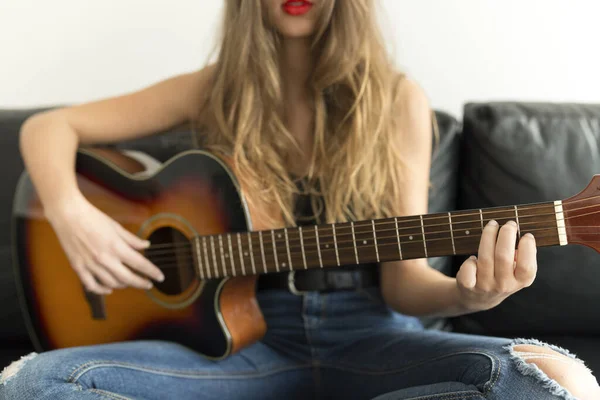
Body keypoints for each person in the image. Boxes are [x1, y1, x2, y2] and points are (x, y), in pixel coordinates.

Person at [2, 1, 598, 399]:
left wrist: (472, 293)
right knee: (35, 382)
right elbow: (49, 129)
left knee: (563, 381)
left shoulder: (394, 100)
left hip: (372, 336)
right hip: (240, 343)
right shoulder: (213, 91)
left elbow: (404, 286)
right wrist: (73, 213)